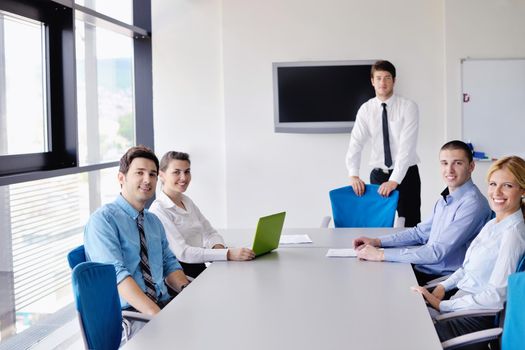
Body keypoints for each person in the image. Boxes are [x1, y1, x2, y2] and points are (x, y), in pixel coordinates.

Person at [412, 156, 525, 346]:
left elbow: (496, 297)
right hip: (458, 305)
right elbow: (467, 269)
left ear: (522, 190)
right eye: (493, 184)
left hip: (472, 317)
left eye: (507, 185)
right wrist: (442, 287)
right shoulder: (493, 223)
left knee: (407, 332)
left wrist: (442, 305)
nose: (496, 192)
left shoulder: (513, 234)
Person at [354, 140, 492, 285]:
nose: (449, 170)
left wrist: (381, 254)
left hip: (441, 280)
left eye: (457, 163)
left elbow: (436, 253)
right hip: (424, 269)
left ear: (471, 167)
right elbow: (419, 233)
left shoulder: (473, 204)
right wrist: (377, 242)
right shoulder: (445, 200)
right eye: (444, 163)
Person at [84, 146, 190, 321]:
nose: (147, 180)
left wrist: (189, 294)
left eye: (152, 174)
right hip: (132, 316)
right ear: (121, 178)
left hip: (162, 304)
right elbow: (117, 276)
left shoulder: (153, 221)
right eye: (139, 173)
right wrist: (159, 317)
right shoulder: (103, 221)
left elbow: (169, 263)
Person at [149, 151, 255, 278]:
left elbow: (210, 233)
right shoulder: (158, 210)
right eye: (176, 172)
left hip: (200, 268)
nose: (183, 177)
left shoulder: (186, 201)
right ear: (161, 175)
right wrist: (227, 254)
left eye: (187, 171)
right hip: (181, 275)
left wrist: (219, 249)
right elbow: (183, 253)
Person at [346, 60, 421, 227]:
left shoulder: (408, 107)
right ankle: (378, 254)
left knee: (411, 224)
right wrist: (353, 174)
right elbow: (355, 143)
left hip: (407, 174)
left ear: (394, 80)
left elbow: (406, 148)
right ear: (372, 81)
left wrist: (394, 180)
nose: (383, 82)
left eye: (387, 77)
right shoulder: (366, 109)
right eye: (378, 78)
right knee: (379, 224)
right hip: (379, 175)